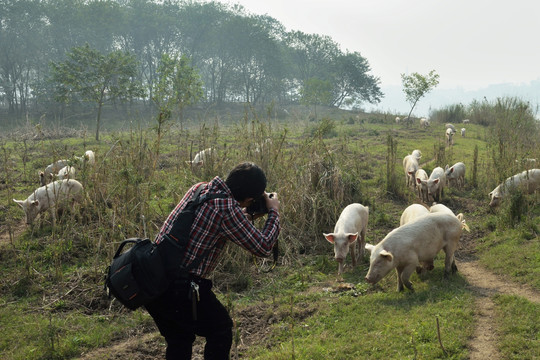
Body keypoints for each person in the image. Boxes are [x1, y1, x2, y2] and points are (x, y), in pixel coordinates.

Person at [145, 162, 280, 359]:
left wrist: (248, 215)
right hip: (180, 287)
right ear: (249, 198)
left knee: (179, 340)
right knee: (220, 329)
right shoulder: (226, 208)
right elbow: (265, 246)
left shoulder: (200, 188)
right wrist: (274, 211)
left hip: (156, 276)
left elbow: (217, 220)